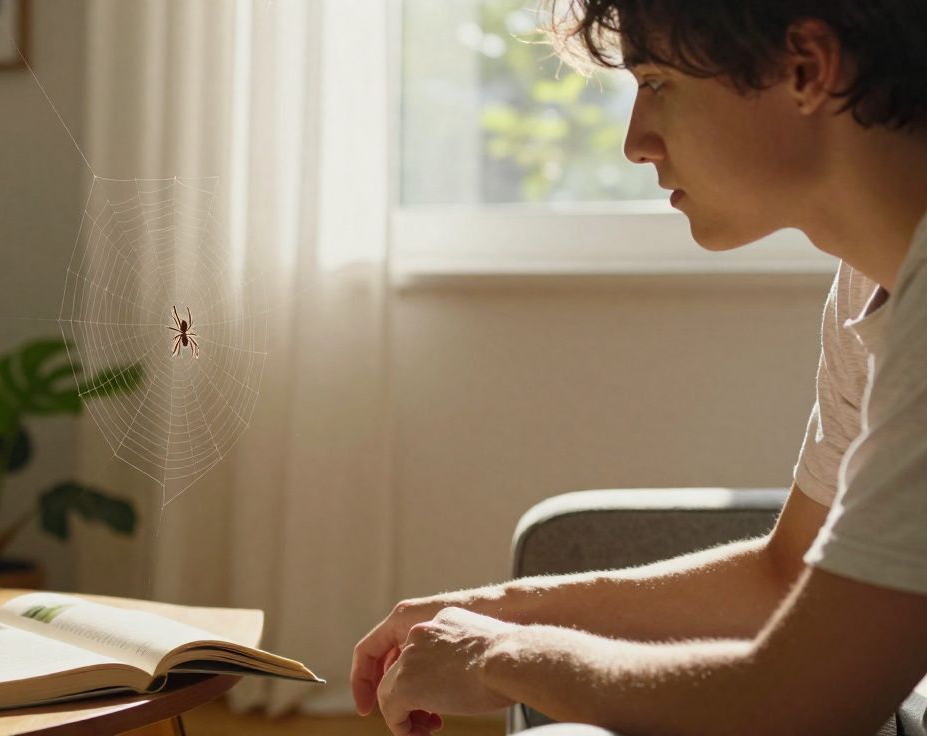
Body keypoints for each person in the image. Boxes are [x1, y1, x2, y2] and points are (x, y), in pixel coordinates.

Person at [352, 1, 927, 734]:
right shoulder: (868, 281)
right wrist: (493, 613)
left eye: (657, 83)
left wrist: (501, 655)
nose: (635, 143)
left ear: (807, 70)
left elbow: (798, 700)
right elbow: (790, 574)